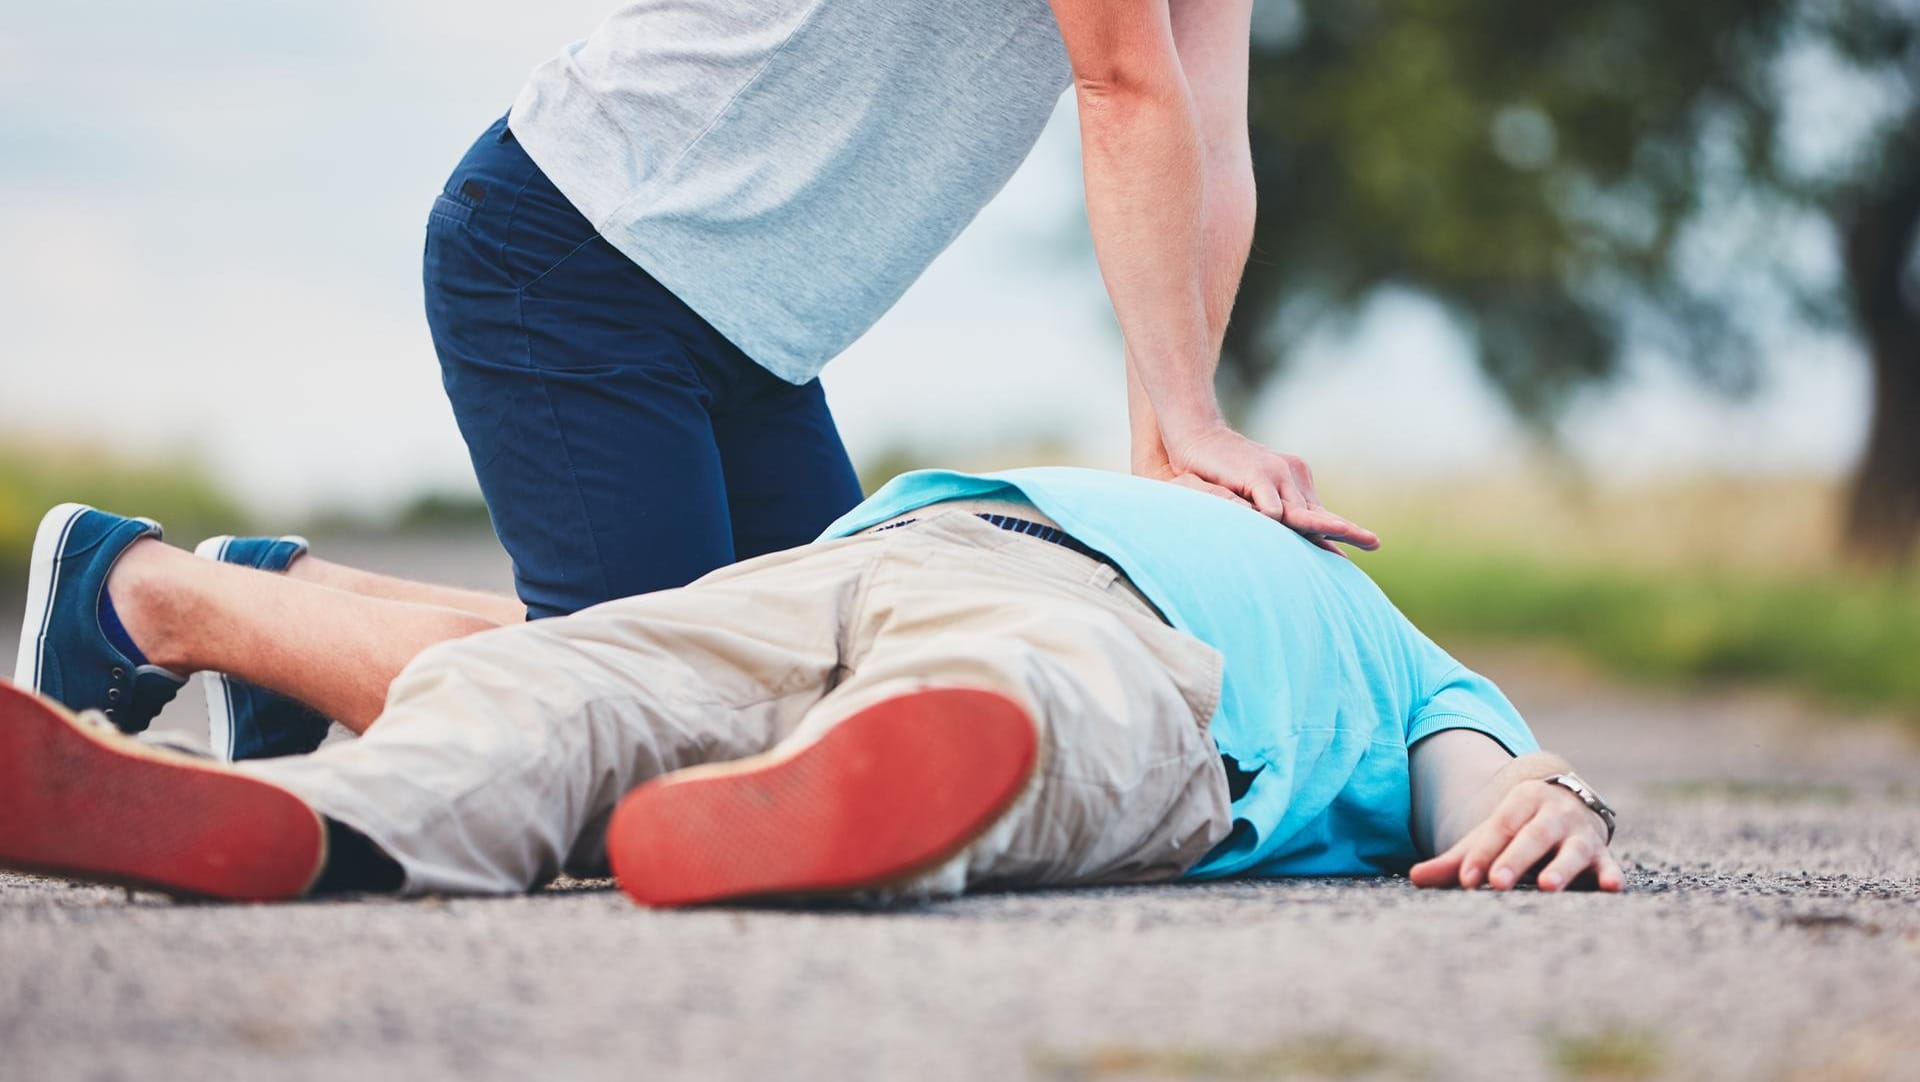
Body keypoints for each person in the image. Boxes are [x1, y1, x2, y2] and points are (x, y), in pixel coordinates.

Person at [1, 468, 1620, 905]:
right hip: (867, 554)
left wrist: (1549, 802)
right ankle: (307, 814)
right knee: (568, 678)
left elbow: (1487, 784)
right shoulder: (1153, 479)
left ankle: (843, 797)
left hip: (1107, 634)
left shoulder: (1401, 654)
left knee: (1021, 690)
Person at [416, 0, 1379, 624]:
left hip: (758, 335)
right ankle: (268, 607)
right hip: (580, 244)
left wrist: (1168, 456)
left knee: (826, 711)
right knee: (648, 731)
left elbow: (1205, 134)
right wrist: (1192, 424)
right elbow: (1122, 86)